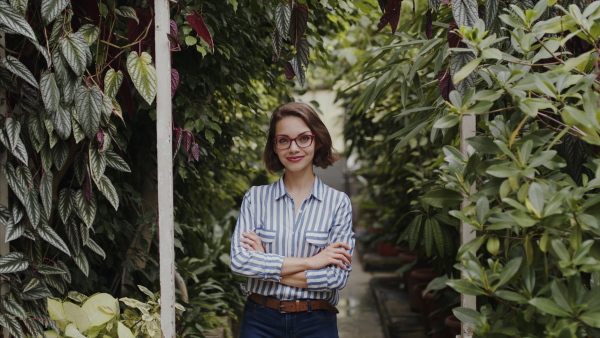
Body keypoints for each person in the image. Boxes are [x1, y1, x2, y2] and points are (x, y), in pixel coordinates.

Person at [230, 102, 355, 338]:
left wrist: (265, 262)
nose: (294, 148)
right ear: (275, 147)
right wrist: (313, 261)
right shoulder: (255, 198)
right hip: (260, 320)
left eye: (303, 138)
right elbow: (240, 262)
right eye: (284, 140)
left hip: (317, 321)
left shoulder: (338, 203)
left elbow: (336, 278)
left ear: (317, 141)